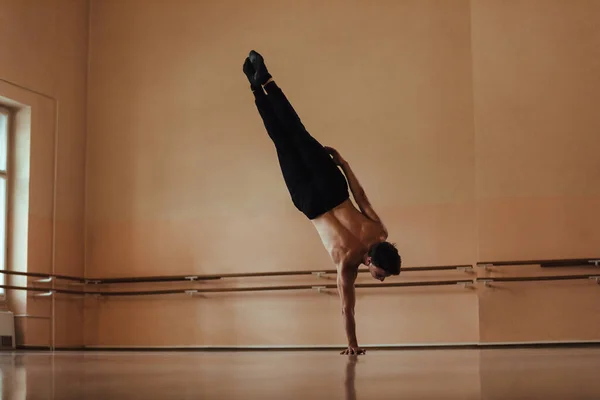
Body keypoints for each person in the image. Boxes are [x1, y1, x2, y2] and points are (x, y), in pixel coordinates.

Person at [243, 50, 401, 355]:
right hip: (310, 202)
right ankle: (255, 88)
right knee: (283, 141)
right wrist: (352, 344)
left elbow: (361, 197)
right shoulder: (348, 265)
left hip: (331, 188)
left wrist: (343, 164)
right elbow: (347, 309)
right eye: (382, 275)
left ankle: (265, 82)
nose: (380, 279)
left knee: (295, 132)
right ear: (377, 265)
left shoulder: (378, 232)